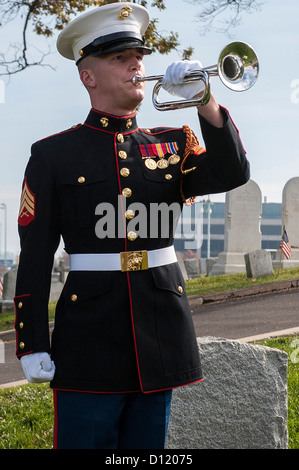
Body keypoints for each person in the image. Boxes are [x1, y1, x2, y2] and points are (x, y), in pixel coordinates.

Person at [14, 2, 250, 449]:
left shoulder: (173, 144)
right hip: (88, 340)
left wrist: (205, 99)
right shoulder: (53, 155)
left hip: (159, 334)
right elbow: (37, 253)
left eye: (138, 55)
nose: (136, 64)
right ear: (88, 75)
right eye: (119, 58)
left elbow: (233, 172)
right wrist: (32, 342)